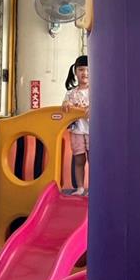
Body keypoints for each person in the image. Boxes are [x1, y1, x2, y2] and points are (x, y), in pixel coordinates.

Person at [62, 55, 89, 195]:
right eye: (81, 69)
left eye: (88, 70)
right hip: (77, 131)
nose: (85, 73)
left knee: (94, 160)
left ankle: (94, 188)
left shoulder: (96, 90)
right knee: (79, 160)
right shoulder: (71, 93)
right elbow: (64, 107)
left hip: (92, 132)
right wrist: (66, 103)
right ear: (75, 72)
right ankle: (80, 187)